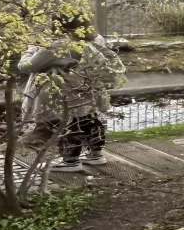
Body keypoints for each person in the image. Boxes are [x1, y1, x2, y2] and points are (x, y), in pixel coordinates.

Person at [19, 15, 127, 174]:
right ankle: (95, 154)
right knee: (88, 119)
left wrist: (30, 51)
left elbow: (26, 66)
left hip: (62, 90)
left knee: (67, 123)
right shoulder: (96, 39)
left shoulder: (58, 46)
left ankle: (70, 161)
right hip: (86, 87)